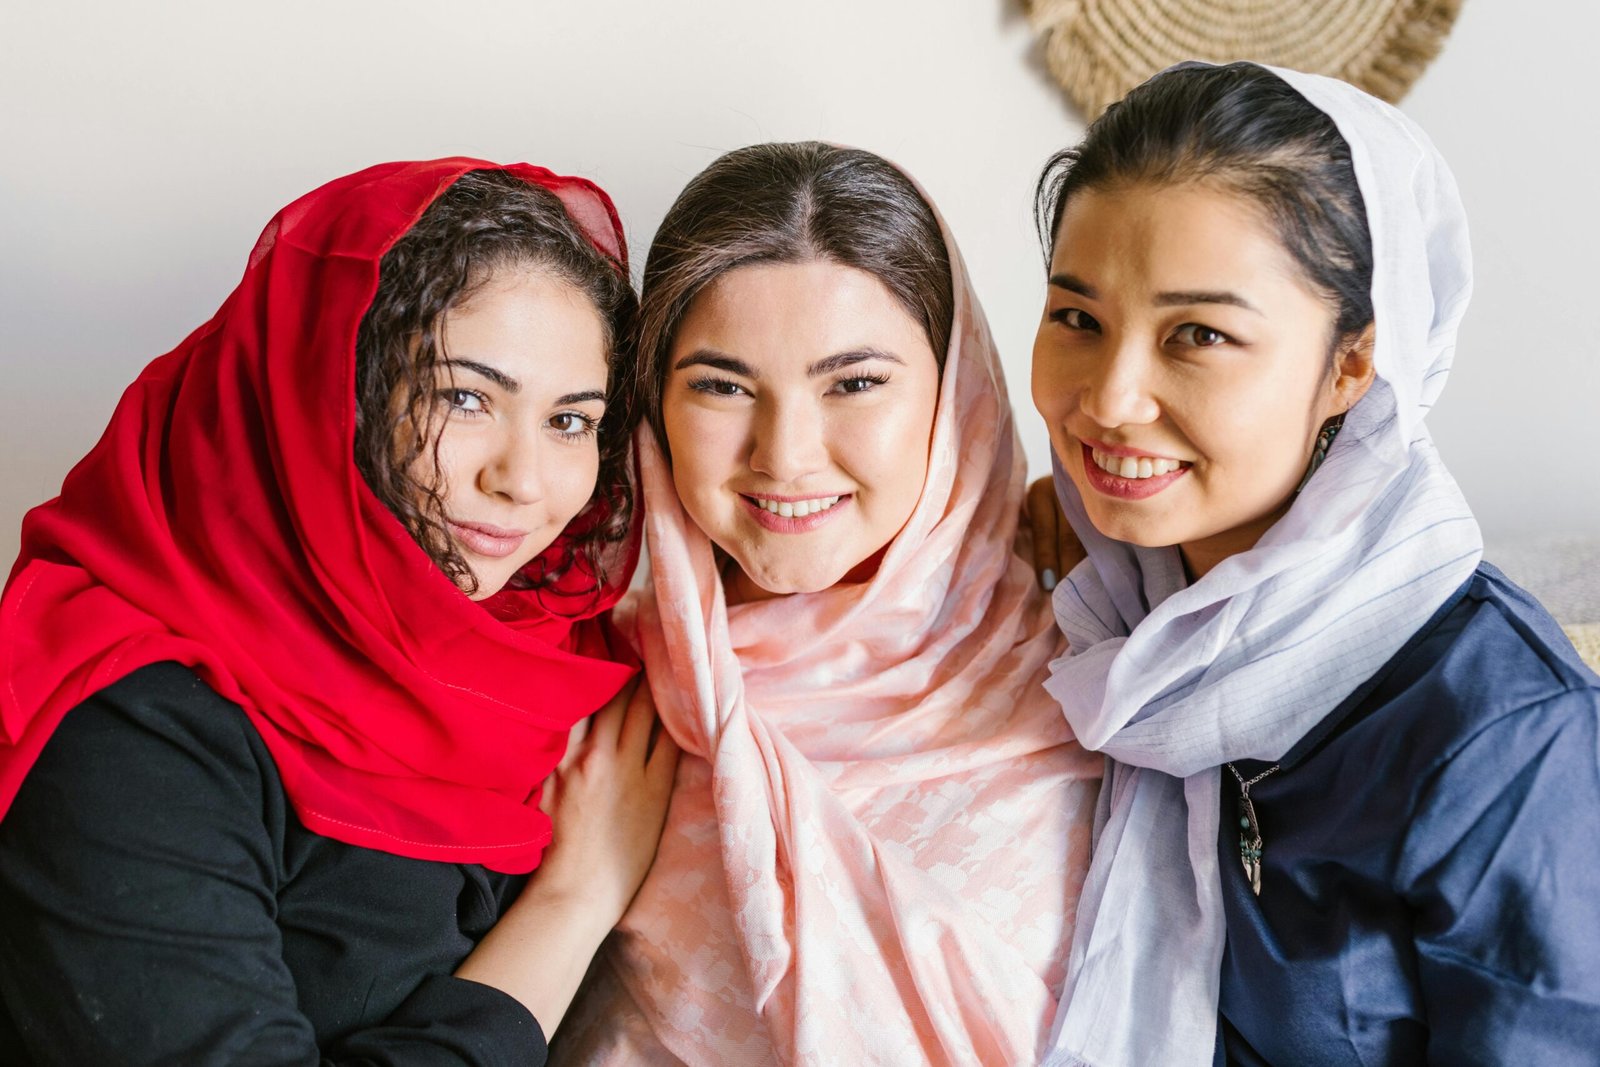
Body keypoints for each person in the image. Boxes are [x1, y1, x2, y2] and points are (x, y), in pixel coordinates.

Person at [0, 159, 677, 1065]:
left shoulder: (553, 666)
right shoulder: (128, 723)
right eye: (464, 397)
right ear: (330, 395)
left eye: (569, 420)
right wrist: (572, 904)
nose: (522, 481)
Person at [1030, 62, 1600, 1067]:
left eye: (1197, 333)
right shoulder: (1102, 616)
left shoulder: (1501, 734)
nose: (1110, 398)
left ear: (1350, 365)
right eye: (1077, 317)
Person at [553, 142, 1102, 1066]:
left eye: (854, 382)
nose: (787, 455)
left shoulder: (1102, 683)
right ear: (651, 404)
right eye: (722, 386)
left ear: (954, 396)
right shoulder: (586, 699)